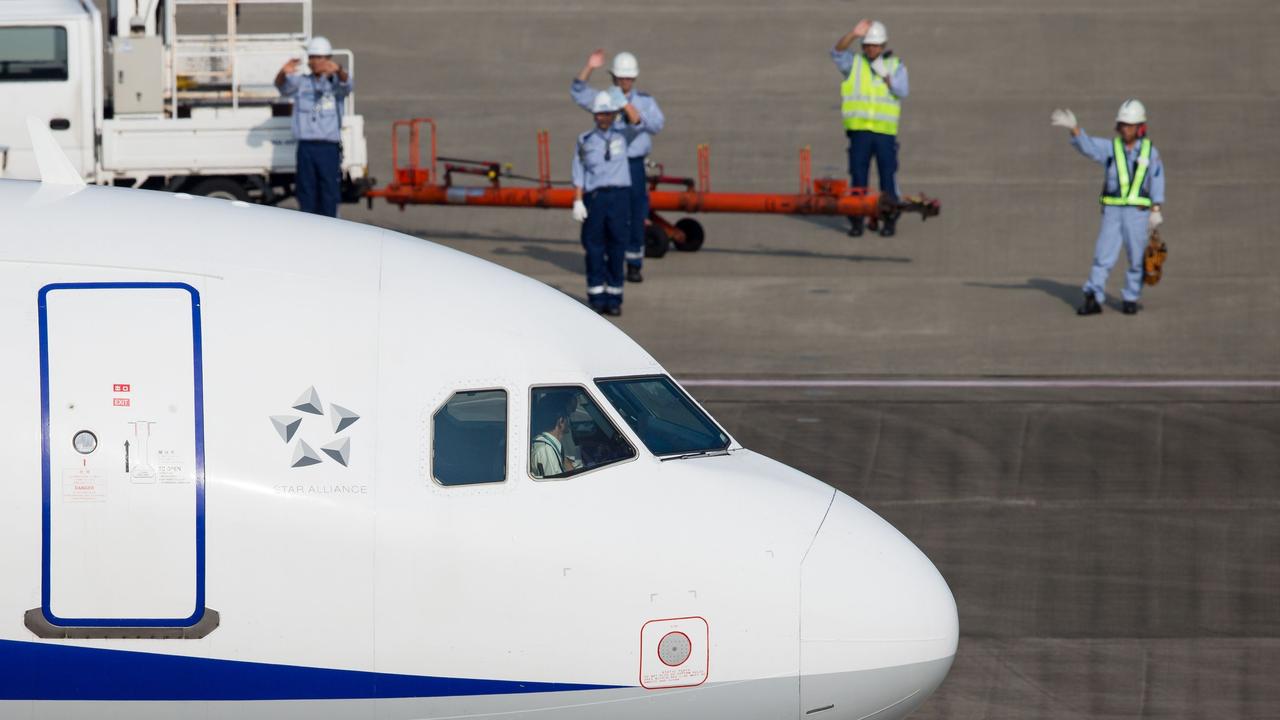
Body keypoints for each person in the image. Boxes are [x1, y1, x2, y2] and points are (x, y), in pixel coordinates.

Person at [1051, 100, 1165, 316]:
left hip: (1137, 214)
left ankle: (1131, 298)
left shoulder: (1150, 152)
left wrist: (1156, 209)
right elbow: (1090, 147)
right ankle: (1093, 297)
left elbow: (1157, 179)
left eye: (1130, 125)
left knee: (1137, 258)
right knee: (1103, 256)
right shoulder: (1112, 148)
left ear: (1140, 127)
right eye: (1122, 124)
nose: (1125, 129)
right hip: (1113, 213)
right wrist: (1075, 129)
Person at [571, 50, 665, 283]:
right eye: (620, 78)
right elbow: (578, 92)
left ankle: (634, 262)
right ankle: (608, 262)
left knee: (636, 214)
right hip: (609, 167)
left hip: (632, 164)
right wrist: (590, 66)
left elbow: (656, 125)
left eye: (628, 78)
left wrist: (628, 108)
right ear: (613, 77)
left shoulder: (644, 100)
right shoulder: (605, 99)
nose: (624, 82)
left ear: (634, 79)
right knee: (605, 217)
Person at [831, 19, 909, 237]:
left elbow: (903, 91)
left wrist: (886, 75)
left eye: (875, 45)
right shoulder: (854, 64)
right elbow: (836, 52)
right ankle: (856, 220)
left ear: (883, 46)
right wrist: (853, 34)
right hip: (860, 133)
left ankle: (889, 220)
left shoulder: (895, 66)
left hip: (884, 133)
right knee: (858, 178)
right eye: (867, 44)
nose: (871, 49)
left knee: (887, 178)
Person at [275, 36, 352, 217]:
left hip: (328, 147)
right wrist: (282, 72)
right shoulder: (301, 83)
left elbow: (348, 85)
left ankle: (331, 230)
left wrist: (339, 70)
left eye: (320, 57)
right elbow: (281, 87)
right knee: (306, 192)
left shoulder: (336, 85)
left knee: (329, 192)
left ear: (329, 59)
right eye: (312, 57)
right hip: (306, 147)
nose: (316, 62)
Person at [571, 91, 631, 316]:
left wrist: (622, 103)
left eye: (605, 114)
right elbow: (579, 171)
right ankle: (596, 296)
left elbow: (638, 121)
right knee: (593, 245)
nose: (601, 118)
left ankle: (614, 296)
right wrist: (578, 200)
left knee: (617, 245)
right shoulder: (585, 140)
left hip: (619, 196)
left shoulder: (624, 136)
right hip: (596, 197)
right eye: (598, 114)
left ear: (613, 114)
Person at [530, 395, 577, 479]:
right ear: (561, 421)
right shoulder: (546, 450)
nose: (570, 421)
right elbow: (555, 486)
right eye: (568, 417)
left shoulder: (550, 444)